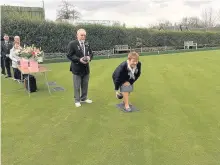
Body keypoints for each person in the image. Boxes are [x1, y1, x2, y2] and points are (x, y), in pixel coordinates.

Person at [67, 29, 93, 107]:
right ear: (77, 35)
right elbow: (69, 55)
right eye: (81, 35)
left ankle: (84, 98)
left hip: (86, 68)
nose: (83, 37)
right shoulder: (72, 44)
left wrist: (89, 57)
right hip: (77, 68)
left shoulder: (87, 44)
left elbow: (91, 53)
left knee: (85, 84)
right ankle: (77, 100)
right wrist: (79, 59)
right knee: (77, 85)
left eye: (84, 35)